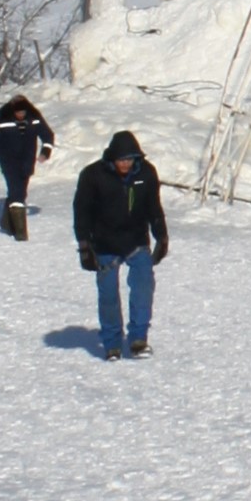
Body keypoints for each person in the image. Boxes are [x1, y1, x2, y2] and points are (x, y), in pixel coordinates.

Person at [72, 129, 168, 359]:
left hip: (136, 241)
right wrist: (84, 246)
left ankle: (138, 339)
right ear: (112, 157)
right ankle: (112, 342)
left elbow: (154, 208)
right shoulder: (93, 175)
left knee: (143, 288)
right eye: (121, 159)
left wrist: (162, 237)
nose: (126, 164)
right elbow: (82, 212)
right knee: (108, 295)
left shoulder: (146, 173)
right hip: (105, 243)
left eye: (130, 159)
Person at [0, 94, 56, 240]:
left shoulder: (34, 117)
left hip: (27, 161)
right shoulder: (3, 118)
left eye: (23, 112)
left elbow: (48, 135)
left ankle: (6, 222)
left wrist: (45, 152)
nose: (21, 115)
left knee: (20, 192)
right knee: (16, 191)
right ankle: (20, 233)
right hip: (8, 161)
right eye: (18, 112)